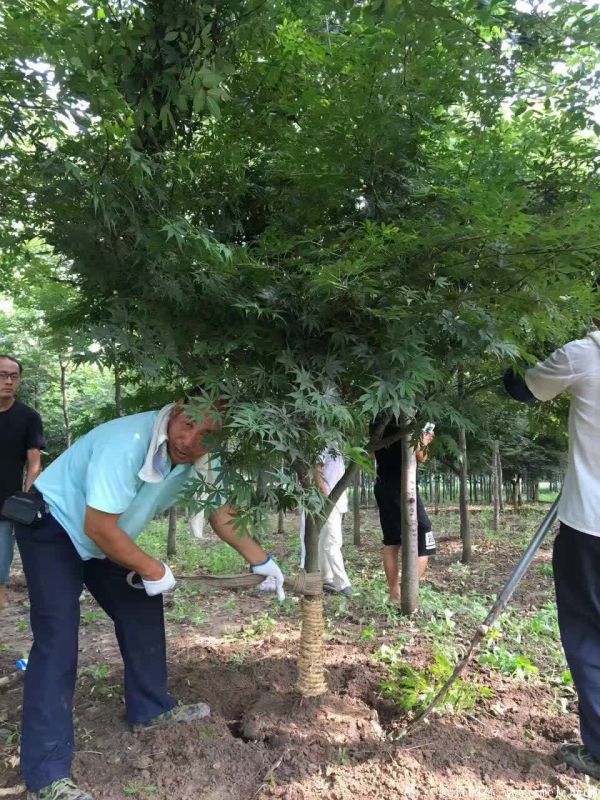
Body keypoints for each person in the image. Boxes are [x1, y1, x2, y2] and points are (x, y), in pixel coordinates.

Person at [10, 397, 285, 800]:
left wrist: (263, 561)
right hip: (54, 527)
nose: (189, 441)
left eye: (207, 435)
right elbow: (98, 526)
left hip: (104, 538)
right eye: (187, 424)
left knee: (140, 605)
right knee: (58, 639)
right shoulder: (129, 441)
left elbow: (222, 513)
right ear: (175, 411)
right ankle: (46, 776)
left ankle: (151, 710)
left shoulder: (207, 460)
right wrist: (153, 568)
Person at [503, 324, 600, 779]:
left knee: (586, 636)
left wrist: (506, 357)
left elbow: (526, 390)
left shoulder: (584, 354)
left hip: (590, 527)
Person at [371, 418, 436, 605]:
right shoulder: (409, 420)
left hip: (383, 485)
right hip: (403, 487)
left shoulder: (377, 421)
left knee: (391, 541)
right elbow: (421, 456)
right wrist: (426, 440)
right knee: (425, 537)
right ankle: (407, 588)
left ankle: (394, 593)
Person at [0, 355, 45, 609]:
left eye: (13, 376)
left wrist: (25, 503)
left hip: (5, 509)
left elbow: (34, 464)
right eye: (2, 375)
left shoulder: (28, 417)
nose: (8, 381)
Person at [299, 447, 352, 596]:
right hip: (327, 500)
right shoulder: (322, 439)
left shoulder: (337, 442)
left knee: (324, 540)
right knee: (333, 542)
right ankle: (343, 583)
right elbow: (317, 468)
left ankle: (325, 578)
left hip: (335, 500)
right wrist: (327, 495)